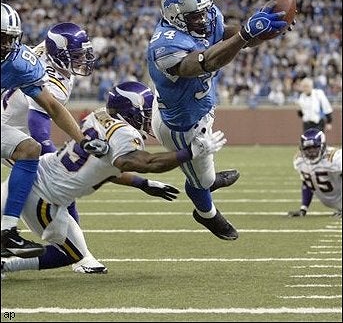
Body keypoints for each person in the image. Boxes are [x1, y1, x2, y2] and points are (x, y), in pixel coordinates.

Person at [1, 81, 226, 276]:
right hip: (43, 198)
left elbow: (102, 168)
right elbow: (144, 163)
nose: (150, 119)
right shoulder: (124, 134)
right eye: (147, 113)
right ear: (131, 112)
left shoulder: (99, 116)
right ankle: (5, 265)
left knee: (72, 252)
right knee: (66, 254)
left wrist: (142, 184)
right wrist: (191, 152)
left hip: (39, 176)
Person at [147, 0, 289, 240]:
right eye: (195, 16)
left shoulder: (206, 15)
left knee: (205, 172)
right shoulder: (164, 45)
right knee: (199, 182)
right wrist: (247, 33)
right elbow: (204, 63)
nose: (203, 20)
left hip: (195, 106)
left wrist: (258, 33)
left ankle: (209, 179)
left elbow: (231, 37)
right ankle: (207, 214)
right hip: (182, 125)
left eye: (204, 12)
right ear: (174, 16)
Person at [1, 3, 109, 259]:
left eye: (9, 39)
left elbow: (51, 106)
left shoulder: (20, 62)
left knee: (30, 149)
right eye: (0, 39)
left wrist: (82, 140)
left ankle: (7, 231)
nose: (5, 46)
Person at [288, 128, 342, 218]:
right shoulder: (299, 161)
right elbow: (308, 183)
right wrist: (303, 209)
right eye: (307, 148)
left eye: (314, 147)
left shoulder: (335, 158)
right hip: (335, 203)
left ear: (323, 146)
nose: (311, 152)